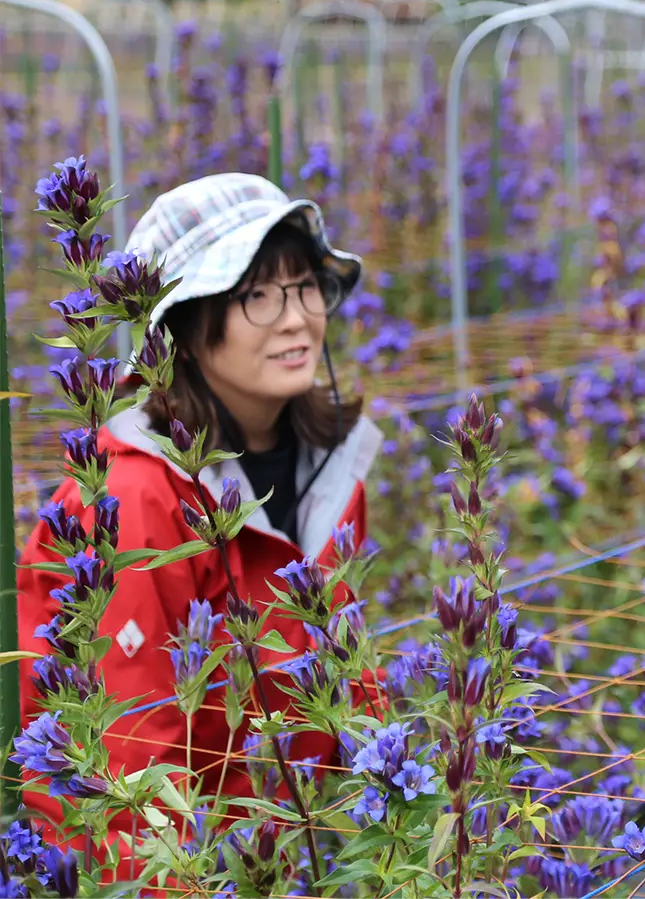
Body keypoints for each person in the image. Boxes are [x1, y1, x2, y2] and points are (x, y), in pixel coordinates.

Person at [18, 173, 383, 856]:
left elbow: (348, 676)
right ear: (182, 329)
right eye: (256, 296)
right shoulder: (132, 499)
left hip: (298, 849)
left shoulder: (333, 469)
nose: (297, 316)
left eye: (306, 286)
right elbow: (127, 769)